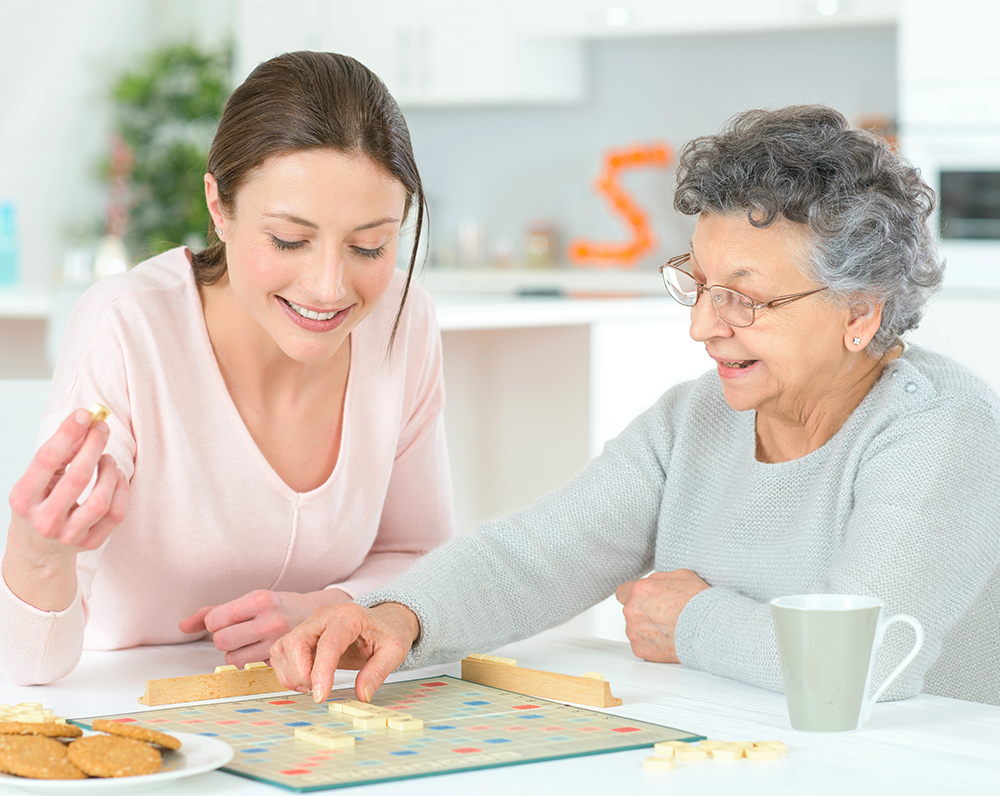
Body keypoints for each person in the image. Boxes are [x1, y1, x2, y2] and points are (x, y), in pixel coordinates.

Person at [270, 105, 1000, 708]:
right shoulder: (696, 419)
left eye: (744, 297)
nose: (703, 325)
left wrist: (691, 622)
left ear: (859, 314)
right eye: (699, 283)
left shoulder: (940, 429)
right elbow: (540, 553)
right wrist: (397, 617)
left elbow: (867, 664)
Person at [0, 51, 454, 686]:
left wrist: (334, 606)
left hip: (305, 711)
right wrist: (35, 554)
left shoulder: (402, 322)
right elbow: (28, 666)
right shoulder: (129, 329)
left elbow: (419, 557)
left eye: (369, 246)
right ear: (218, 205)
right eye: (288, 241)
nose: (328, 288)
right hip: (123, 702)